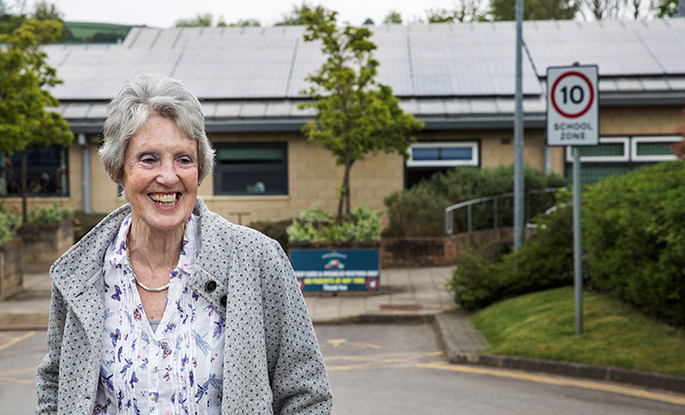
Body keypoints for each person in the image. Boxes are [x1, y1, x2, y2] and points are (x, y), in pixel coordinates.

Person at [36, 73, 333, 415]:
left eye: (183, 159)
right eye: (148, 159)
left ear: (200, 170)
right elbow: (55, 386)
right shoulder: (79, 274)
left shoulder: (258, 261)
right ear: (117, 169)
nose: (168, 176)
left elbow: (306, 394)